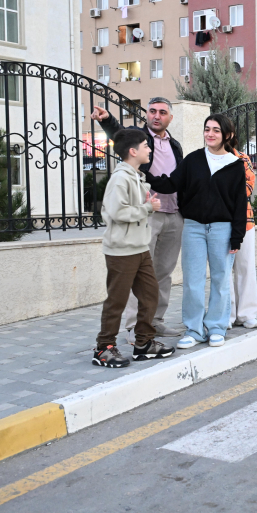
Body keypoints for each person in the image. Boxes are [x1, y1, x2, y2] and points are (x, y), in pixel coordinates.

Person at [147, 114, 248, 349]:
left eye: (215, 130)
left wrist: (237, 235)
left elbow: (240, 203)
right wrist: (145, 174)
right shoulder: (193, 160)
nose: (210, 134)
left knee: (221, 280)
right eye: (207, 129)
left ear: (227, 135)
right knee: (193, 280)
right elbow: (171, 184)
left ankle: (216, 327)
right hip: (192, 227)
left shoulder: (235, 165)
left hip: (223, 229)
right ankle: (194, 329)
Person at [90, 98, 184, 343]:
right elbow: (122, 137)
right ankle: (134, 327)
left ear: (170, 118)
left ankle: (154, 322)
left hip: (174, 213)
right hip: (147, 215)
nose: (156, 116)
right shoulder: (140, 139)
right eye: (152, 111)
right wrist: (107, 120)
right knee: (138, 274)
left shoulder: (174, 145)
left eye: (162, 112)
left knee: (162, 273)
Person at [229, 148, 257, 329]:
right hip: (218, 222)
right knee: (223, 271)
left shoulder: (242, 158)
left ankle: (247, 313)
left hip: (245, 220)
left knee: (245, 266)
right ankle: (227, 315)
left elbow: (248, 187)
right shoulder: (206, 157)